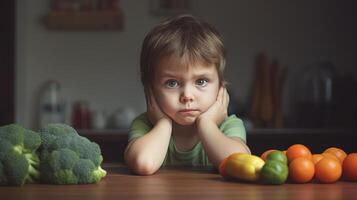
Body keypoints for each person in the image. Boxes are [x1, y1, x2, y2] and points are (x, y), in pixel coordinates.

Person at [124, 14, 250, 175]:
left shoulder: (228, 125)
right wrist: (163, 123)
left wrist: (207, 123)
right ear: (150, 90)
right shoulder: (145, 125)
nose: (187, 96)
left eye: (201, 81)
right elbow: (143, 164)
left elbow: (241, 164)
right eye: (172, 83)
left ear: (221, 87)